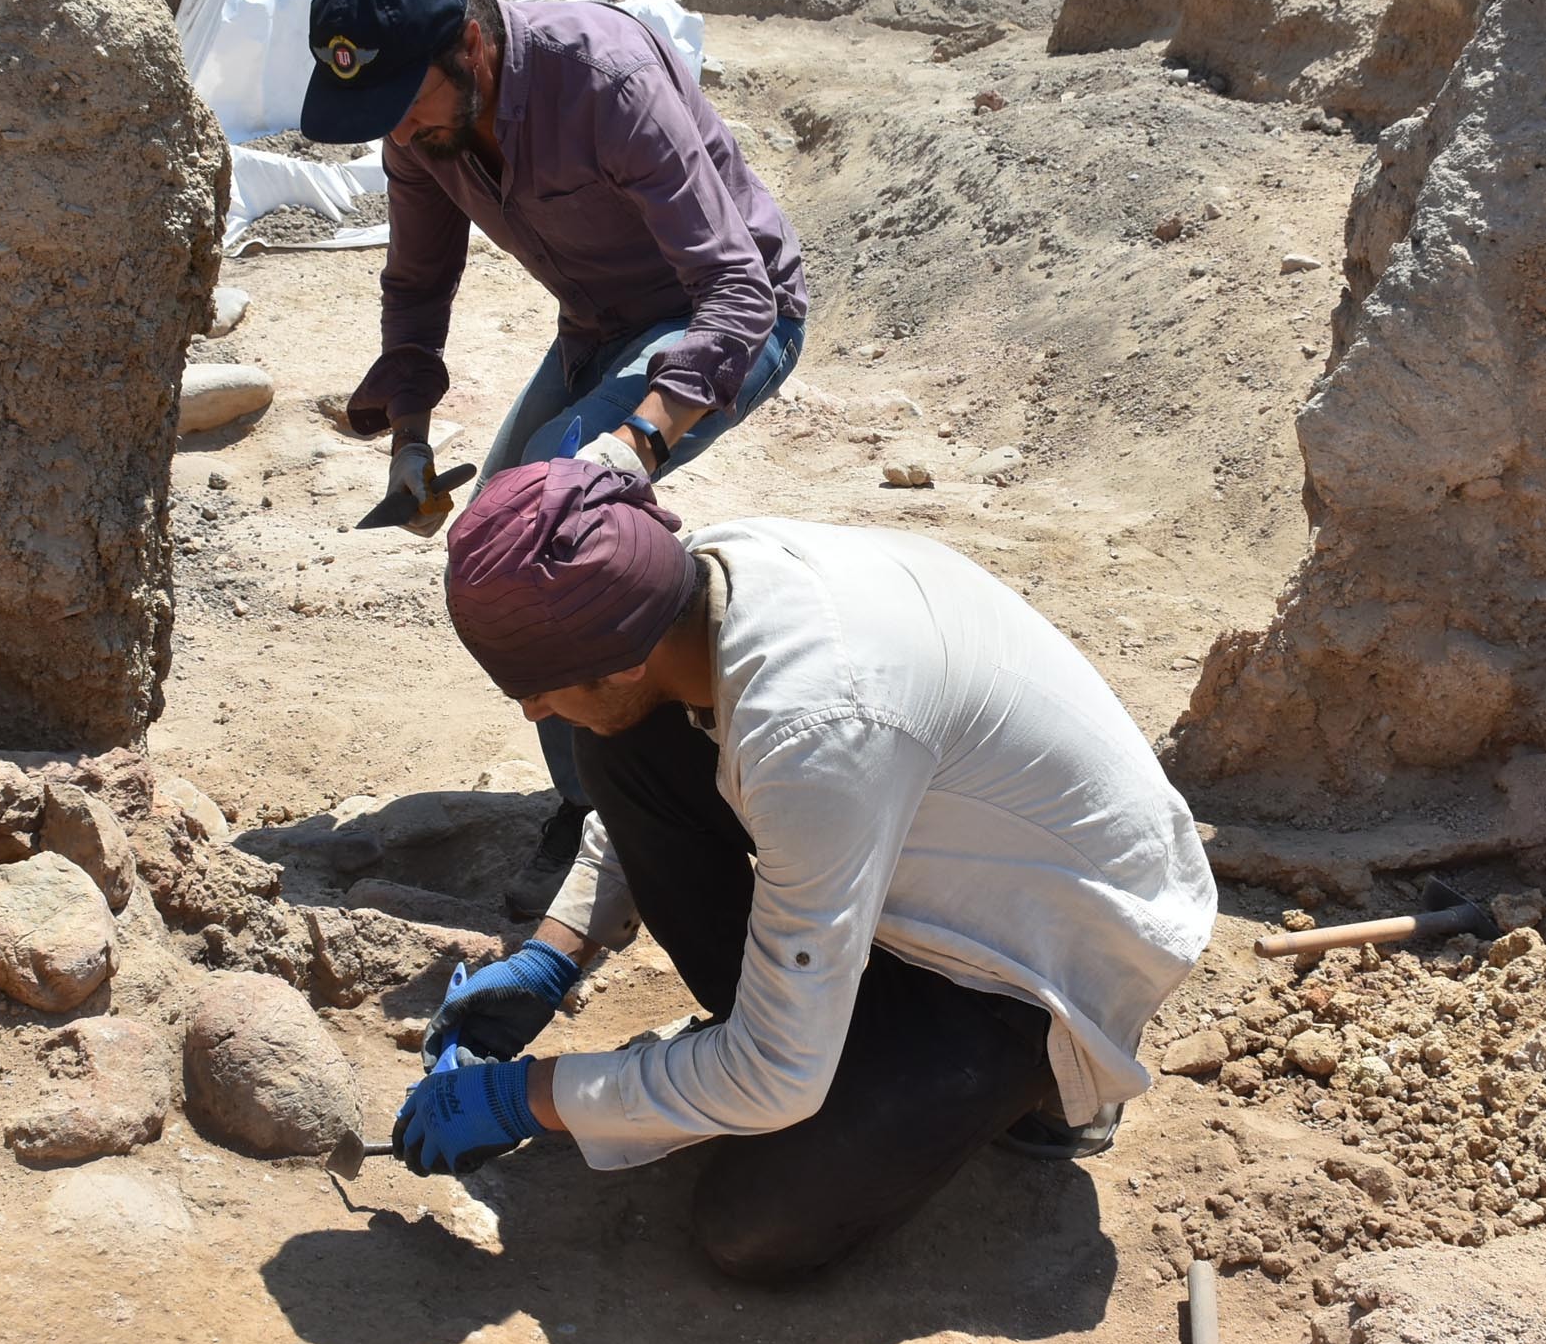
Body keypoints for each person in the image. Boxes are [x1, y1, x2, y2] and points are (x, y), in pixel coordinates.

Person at [385, 461, 1218, 1282]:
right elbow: (645, 790)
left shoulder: (816, 724)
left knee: (755, 1228)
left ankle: (1037, 1081)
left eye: (534, 688)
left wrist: (525, 1096)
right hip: (905, 852)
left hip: (1037, 955)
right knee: (618, 739)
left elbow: (774, 1077)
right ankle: (827, 1030)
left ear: (623, 659)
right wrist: (553, 954)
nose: (529, 708)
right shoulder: (686, 594)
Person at [302, 0, 810, 913]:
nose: (400, 132)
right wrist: (411, 440)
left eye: (410, 102)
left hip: (729, 326)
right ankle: (604, 794)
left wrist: (634, 446)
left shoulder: (602, 75)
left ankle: (643, 805)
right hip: (600, 331)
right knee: (495, 528)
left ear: (470, 46)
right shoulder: (420, 128)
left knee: (546, 520)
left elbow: (736, 291)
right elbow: (417, 285)